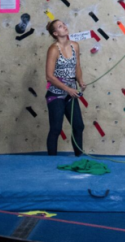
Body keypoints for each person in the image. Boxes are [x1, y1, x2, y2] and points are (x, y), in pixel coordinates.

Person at [45, 19, 85, 156]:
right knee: (56, 128)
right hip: (56, 94)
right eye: (60, 27)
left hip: (71, 93)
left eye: (64, 24)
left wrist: (80, 81)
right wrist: (68, 89)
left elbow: (77, 66)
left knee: (78, 126)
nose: (65, 27)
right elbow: (49, 76)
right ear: (56, 33)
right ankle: (51, 160)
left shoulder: (75, 45)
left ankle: (79, 157)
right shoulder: (53, 49)